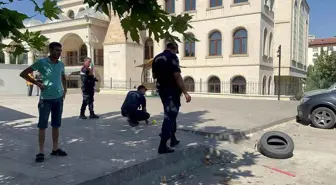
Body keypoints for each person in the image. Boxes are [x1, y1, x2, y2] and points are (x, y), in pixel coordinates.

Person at [19, 42, 68, 162]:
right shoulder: (42, 62)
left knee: (56, 125)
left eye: (60, 51)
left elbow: (63, 77)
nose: (59, 53)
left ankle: (55, 149)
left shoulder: (61, 64)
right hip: (45, 100)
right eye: (57, 50)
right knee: (42, 126)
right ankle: (40, 151)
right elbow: (23, 73)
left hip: (58, 99)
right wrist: (38, 84)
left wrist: (65, 91)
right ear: (50, 50)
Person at [152, 42, 191, 154]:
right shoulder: (172, 57)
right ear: (174, 49)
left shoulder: (156, 58)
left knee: (170, 113)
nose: (176, 53)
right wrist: (185, 92)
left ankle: (173, 139)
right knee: (170, 115)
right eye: (176, 51)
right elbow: (177, 76)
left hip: (162, 90)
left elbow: (154, 76)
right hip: (171, 90)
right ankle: (163, 145)